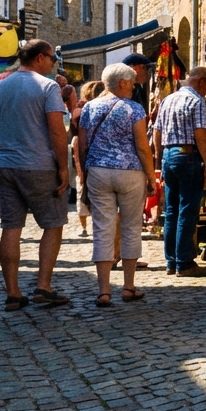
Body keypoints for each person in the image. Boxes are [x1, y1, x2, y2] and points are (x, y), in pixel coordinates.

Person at [0, 40, 71, 310]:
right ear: (40, 58)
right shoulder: (47, 87)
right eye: (52, 58)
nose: (54, 64)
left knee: (11, 226)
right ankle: (43, 286)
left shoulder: (0, 87)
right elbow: (57, 130)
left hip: (5, 164)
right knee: (53, 223)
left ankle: (13, 293)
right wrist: (63, 168)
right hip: (38, 164)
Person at [82, 64, 153, 307]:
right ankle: (128, 287)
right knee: (131, 227)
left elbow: (83, 145)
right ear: (122, 83)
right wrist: (151, 176)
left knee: (103, 229)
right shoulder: (134, 108)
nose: (134, 87)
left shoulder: (90, 107)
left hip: (98, 172)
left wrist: (85, 174)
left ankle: (104, 291)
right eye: (132, 83)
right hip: (130, 172)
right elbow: (142, 146)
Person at [154, 66, 206, 277]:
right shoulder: (196, 101)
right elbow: (200, 134)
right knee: (187, 210)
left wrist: (159, 160)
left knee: (171, 211)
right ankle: (185, 263)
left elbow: (157, 132)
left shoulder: (168, 100)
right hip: (188, 156)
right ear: (201, 82)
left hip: (169, 156)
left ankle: (171, 261)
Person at [73, 81, 106, 236]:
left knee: (84, 193)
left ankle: (86, 227)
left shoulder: (81, 110)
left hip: (88, 158)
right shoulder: (86, 110)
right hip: (100, 160)